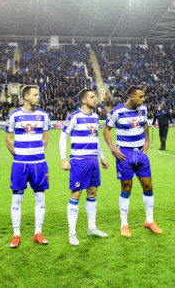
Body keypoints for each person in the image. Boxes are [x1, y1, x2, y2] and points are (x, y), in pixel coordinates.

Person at [103, 85, 162, 237]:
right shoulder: (117, 111)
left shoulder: (143, 109)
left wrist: (147, 140)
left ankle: (149, 220)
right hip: (125, 154)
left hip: (141, 152)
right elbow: (106, 130)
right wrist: (112, 148)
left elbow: (145, 124)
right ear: (131, 97)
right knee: (126, 188)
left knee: (148, 186)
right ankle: (124, 224)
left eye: (143, 96)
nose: (143, 99)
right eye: (140, 97)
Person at [59, 88, 110, 246]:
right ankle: (72, 232)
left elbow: (96, 138)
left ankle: (92, 228)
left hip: (93, 160)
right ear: (83, 100)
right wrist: (63, 159)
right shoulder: (74, 117)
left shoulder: (95, 117)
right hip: (79, 161)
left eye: (95, 96)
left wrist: (101, 157)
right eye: (92, 97)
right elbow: (62, 137)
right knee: (76, 193)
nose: (95, 99)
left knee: (93, 192)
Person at [5, 85, 51, 248]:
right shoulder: (14, 115)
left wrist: (38, 153)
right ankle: (16, 235)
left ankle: (38, 233)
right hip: (20, 164)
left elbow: (46, 138)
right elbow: (8, 139)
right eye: (35, 95)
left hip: (39, 164)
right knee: (16, 198)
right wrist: (18, 155)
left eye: (38, 94)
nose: (38, 97)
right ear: (25, 96)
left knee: (40, 198)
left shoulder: (43, 116)